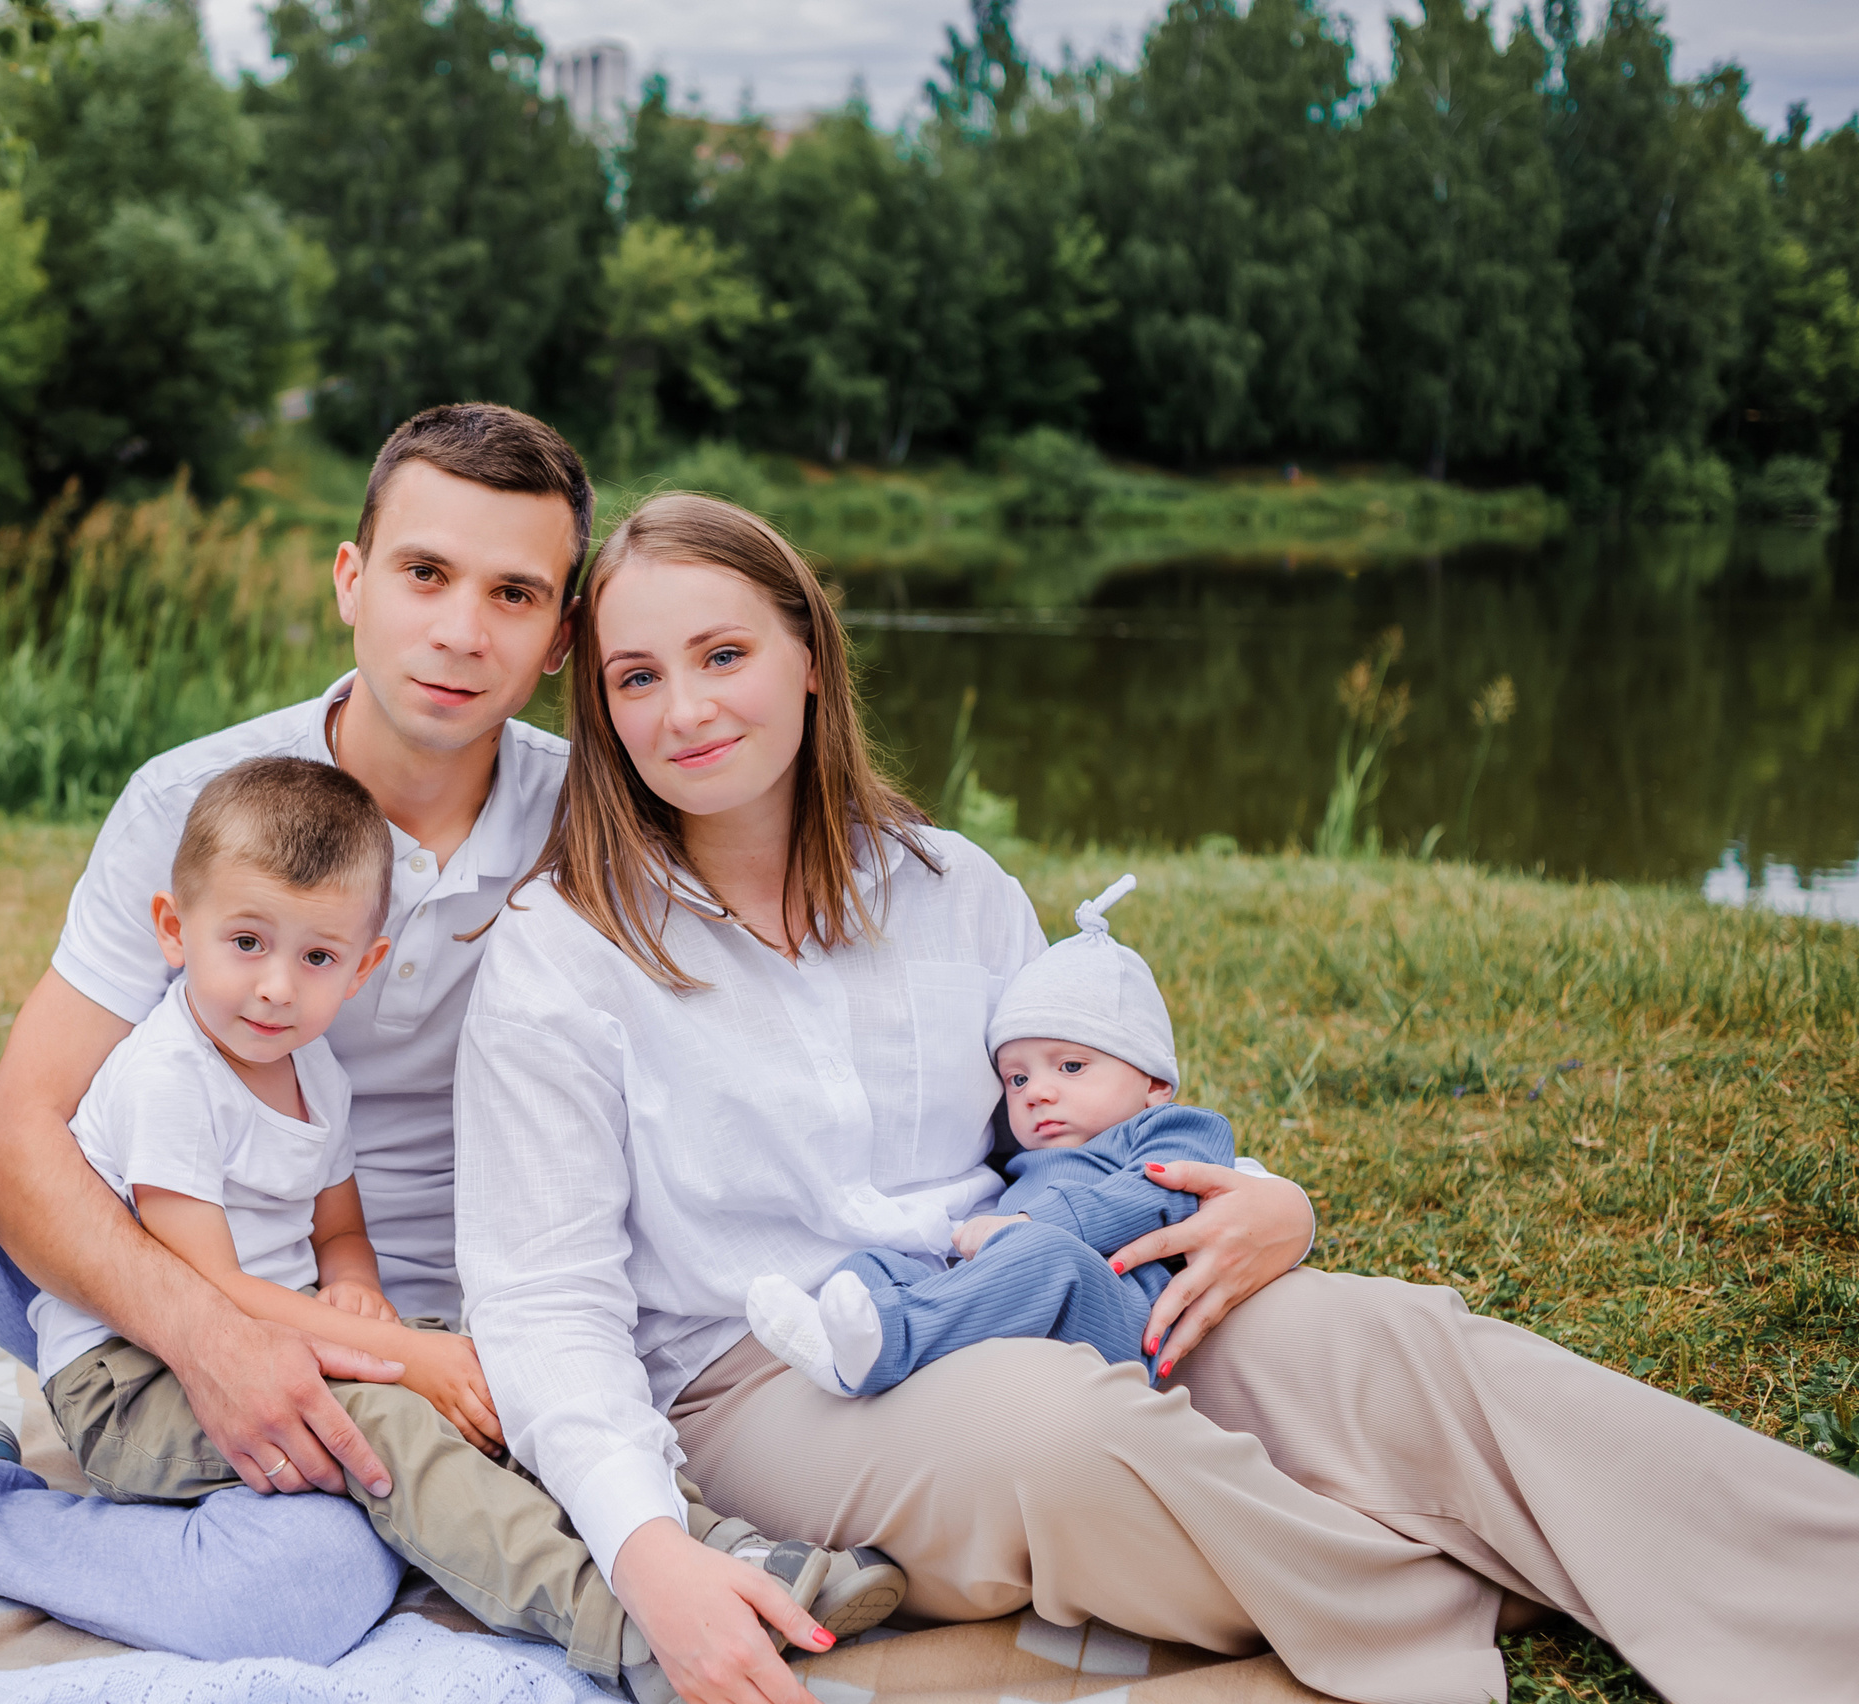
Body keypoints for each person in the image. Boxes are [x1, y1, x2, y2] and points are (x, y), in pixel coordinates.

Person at [0, 405, 1049, 1700]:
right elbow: (22, 1138)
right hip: (180, 1248)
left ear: (562, 634)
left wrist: (1129, 1160)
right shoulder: (196, 798)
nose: (461, 628)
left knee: (304, 1589)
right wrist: (211, 1335)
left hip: (466, 1333)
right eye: (426, 573)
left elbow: (864, 946)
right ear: (352, 580)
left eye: (515, 594)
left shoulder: (605, 812)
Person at [453, 490, 1859, 1704]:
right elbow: (543, 1302)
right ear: (602, 711)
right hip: (764, 1379)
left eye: (723, 654)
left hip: (1036, 1273)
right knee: (1061, 1432)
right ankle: (1463, 1595)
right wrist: (649, 1552)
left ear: (808, 656)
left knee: (1386, 1346)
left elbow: (1084, 1119)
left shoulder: (950, 888)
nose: (686, 709)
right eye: (636, 678)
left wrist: (1265, 1198)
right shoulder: (561, 954)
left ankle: (1815, 1601)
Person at [30, 754, 903, 1699]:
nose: (277, 986)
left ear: (361, 968)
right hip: (138, 1376)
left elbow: (337, 1231)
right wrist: (403, 1357)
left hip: (280, 1334)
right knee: (393, 1420)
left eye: (316, 958)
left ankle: (716, 1548)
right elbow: (207, 1294)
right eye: (246, 942)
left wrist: (358, 1288)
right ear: (174, 928)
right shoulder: (170, 1077)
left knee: (501, 1372)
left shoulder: (313, 1070)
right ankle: (622, 1621)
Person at [745, 873, 1237, 1397]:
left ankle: (888, 1345)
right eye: (1017, 1078)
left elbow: (1158, 1194)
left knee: (1045, 1254)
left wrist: (1028, 1224)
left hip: (1124, 1313)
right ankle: (852, 1346)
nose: (1036, 1092)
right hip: (1015, 1300)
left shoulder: (1178, 1127)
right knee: (870, 1265)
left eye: (1071, 1066)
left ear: (1155, 1082)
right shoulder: (1025, 1157)